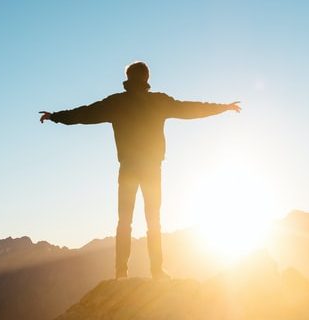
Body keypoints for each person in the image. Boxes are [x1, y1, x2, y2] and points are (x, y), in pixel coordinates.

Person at [40, 61, 240, 279]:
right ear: (147, 78)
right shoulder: (158, 102)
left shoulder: (117, 102)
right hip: (152, 168)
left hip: (129, 168)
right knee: (153, 220)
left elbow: (84, 114)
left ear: (128, 77)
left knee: (125, 221)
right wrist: (223, 107)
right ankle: (157, 271)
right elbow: (191, 109)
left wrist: (55, 116)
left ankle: (121, 272)